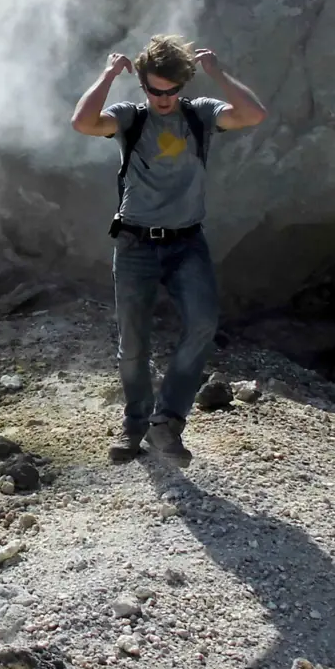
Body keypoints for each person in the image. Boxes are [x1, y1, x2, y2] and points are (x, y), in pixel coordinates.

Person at [70, 34, 267, 467]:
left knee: (202, 324)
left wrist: (218, 73)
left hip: (186, 242)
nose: (163, 99)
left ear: (183, 85)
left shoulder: (200, 114)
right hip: (135, 242)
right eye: (155, 90)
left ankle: (167, 422)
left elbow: (253, 114)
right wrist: (108, 74)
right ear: (143, 84)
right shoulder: (131, 117)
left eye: (171, 90)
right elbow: (82, 122)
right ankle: (134, 424)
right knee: (133, 343)